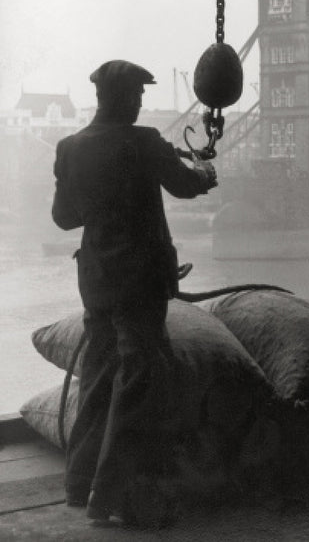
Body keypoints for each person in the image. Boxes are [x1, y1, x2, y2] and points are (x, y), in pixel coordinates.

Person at [51, 59, 217, 527]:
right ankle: (114, 498)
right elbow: (186, 185)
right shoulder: (142, 142)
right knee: (142, 381)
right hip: (140, 279)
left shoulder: (69, 147)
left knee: (99, 374)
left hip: (97, 278)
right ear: (125, 99)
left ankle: (79, 486)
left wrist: (103, 202)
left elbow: (65, 218)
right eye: (139, 96)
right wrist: (205, 171)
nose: (142, 103)